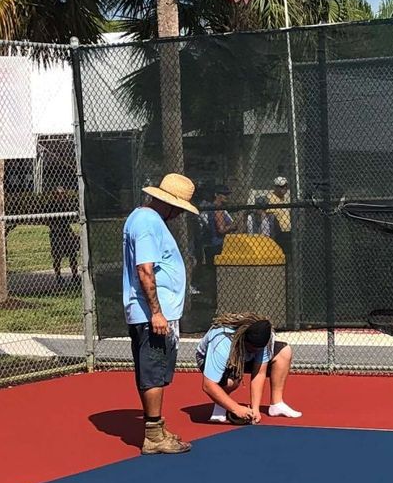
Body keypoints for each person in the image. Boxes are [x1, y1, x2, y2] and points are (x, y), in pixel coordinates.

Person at [122, 172, 199, 455]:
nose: (179, 213)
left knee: (157, 369)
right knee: (153, 371)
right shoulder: (146, 222)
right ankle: (153, 435)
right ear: (167, 202)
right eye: (178, 208)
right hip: (151, 316)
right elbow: (145, 269)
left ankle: (157, 427)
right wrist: (156, 312)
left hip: (157, 314)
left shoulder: (149, 220)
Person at [195, 311, 303, 424]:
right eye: (252, 348)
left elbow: (259, 372)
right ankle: (219, 409)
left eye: (258, 349)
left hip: (243, 357)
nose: (255, 351)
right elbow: (208, 385)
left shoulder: (266, 337)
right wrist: (236, 408)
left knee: (284, 352)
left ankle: (277, 405)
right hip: (208, 357)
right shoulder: (223, 341)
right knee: (232, 380)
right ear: (244, 339)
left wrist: (255, 409)